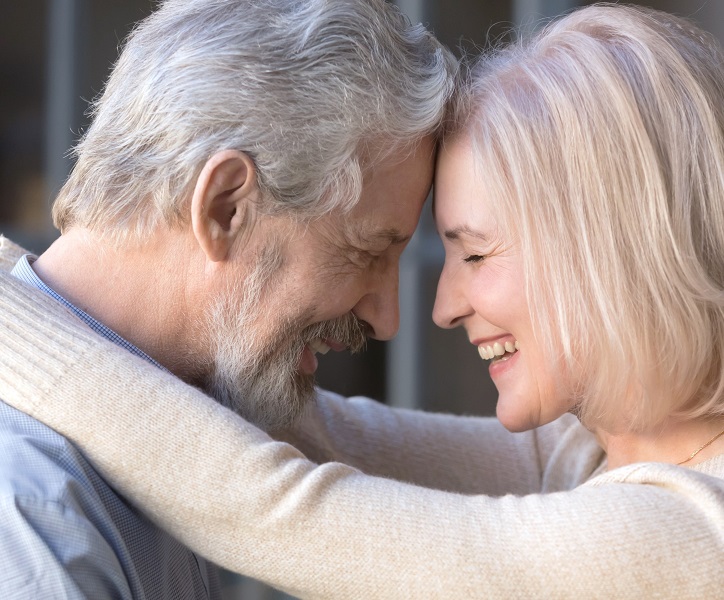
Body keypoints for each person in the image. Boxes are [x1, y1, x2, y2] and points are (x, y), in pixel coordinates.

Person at [1, 2, 723, 599]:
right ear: (223, 209)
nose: (421, 313)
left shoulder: (691, 532)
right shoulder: (595, 453)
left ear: (611, 256)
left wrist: (19, 315)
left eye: (474, 253)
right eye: (367, 249)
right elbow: (319, 437)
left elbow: (279, 510)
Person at [0, 0, 455, 596]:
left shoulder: (184, 417)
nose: (387, 318)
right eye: (367, 251)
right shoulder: (34, 513)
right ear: (226, 209)